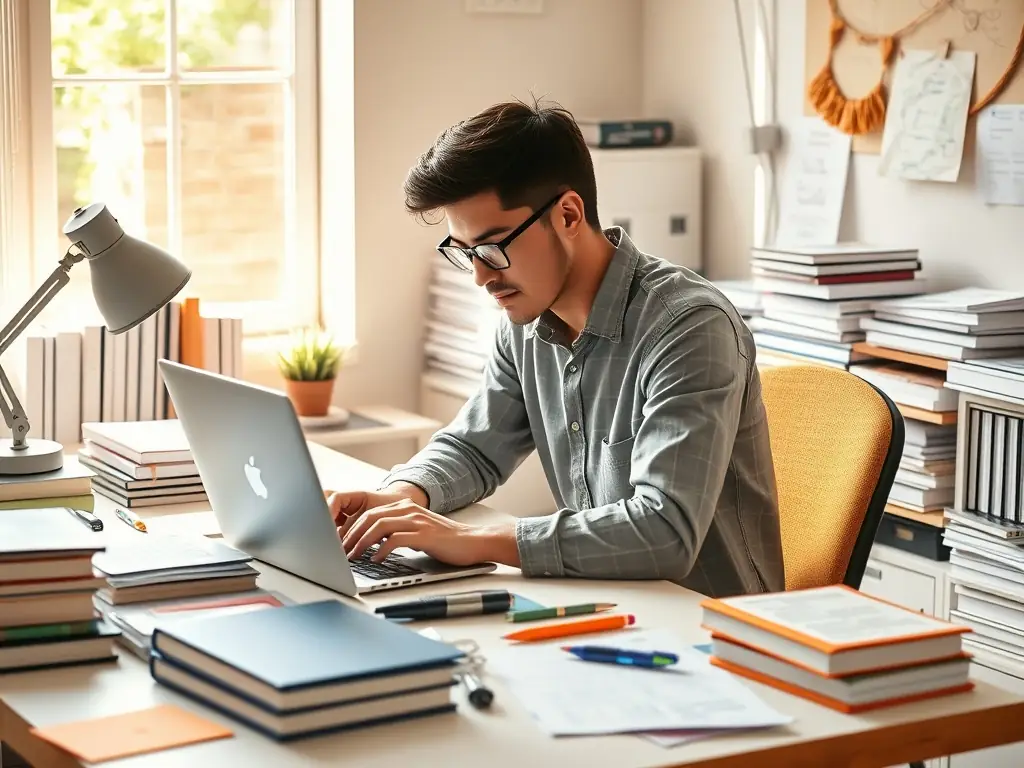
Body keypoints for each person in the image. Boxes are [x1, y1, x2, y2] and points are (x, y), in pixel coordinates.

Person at [327, 97, 784, 598]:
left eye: (492, 247)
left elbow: (664, 530)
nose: (480, 276)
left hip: (712, 630)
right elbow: (475, 447)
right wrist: (397, 499)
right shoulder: (524, 317)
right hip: (605, 604)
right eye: (465, 252)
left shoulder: (689, 328)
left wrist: (474, 540)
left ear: (568, 214)